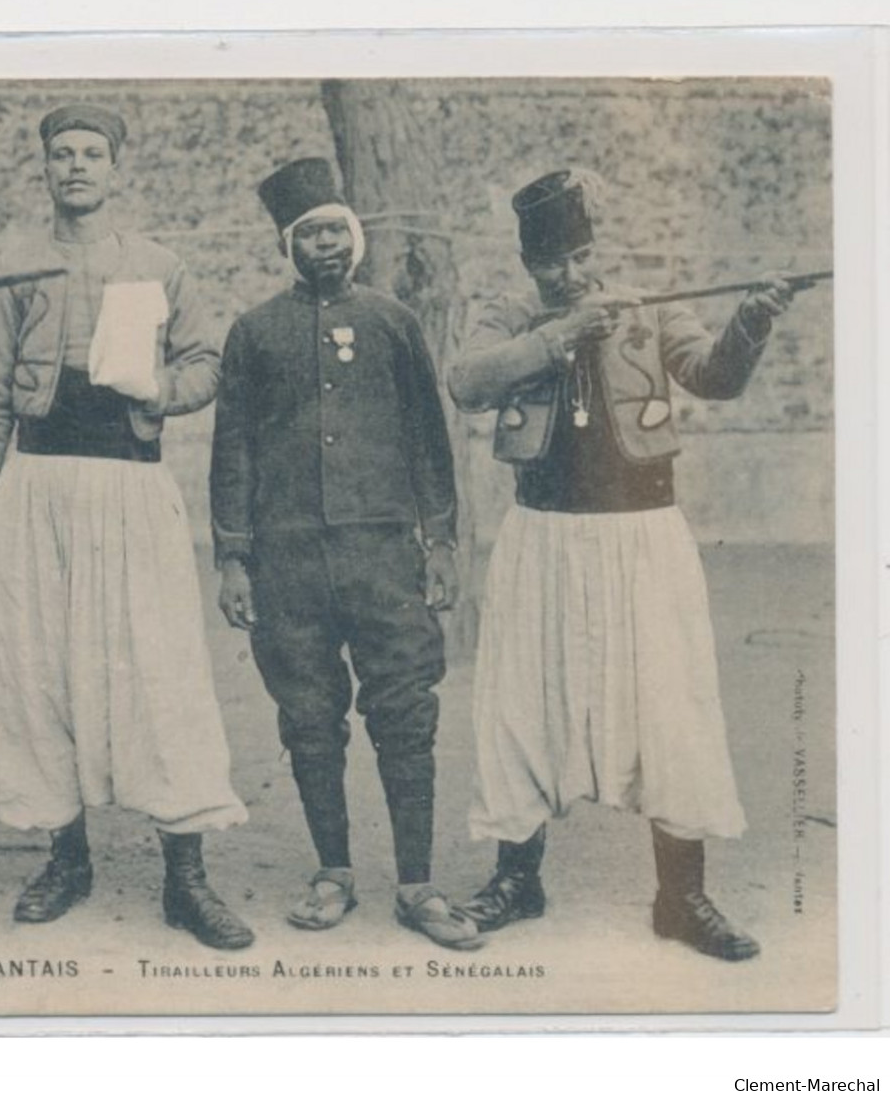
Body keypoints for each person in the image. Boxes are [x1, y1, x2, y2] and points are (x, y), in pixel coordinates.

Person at [447, 169, 796, 961]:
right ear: (530, 264)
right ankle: (516, 878)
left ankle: (682, 896)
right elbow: (466, 381)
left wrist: (750, 323)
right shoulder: (512, 315)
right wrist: (557, 332)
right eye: (553, 265)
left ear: (596, 250)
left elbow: (717, 377)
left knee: (669, 705)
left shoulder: (645, 308)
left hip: (643, 538)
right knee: (523, 705)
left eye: (580, 258)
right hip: (543, 537)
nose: (570, 275)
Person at [0, 103, 253, 951]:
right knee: (41, 667)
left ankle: (185, 875)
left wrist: (161, 386)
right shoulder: (14, 269)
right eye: (63, 154)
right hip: (36, 483)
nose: (77, 166)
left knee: (160, 668)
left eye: (92, 154)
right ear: (45, 169)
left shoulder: (158, 265)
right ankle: (66, 854)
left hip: (130, 484)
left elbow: (207, 362)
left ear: (116, 170)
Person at [210, 157, 480, 951]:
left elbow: (432, 443)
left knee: (405, 713)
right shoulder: (254, 333)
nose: (324, 245)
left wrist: (440, 543)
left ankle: (418, 884)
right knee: (309, 719)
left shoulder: (394, 322)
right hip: (287, 562)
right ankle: (333, 871)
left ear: (353, 238)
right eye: (309, 233)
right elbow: (233, 453)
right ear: (288, 244)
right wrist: (233, 556)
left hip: (385, 555)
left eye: (335, 229)